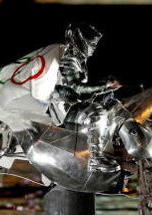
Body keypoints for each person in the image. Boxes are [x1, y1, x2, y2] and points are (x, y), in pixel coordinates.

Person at [49, 23, 121, 172]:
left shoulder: (78, 61)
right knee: (96, 112)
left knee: (111, 105)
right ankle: (96, 158)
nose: (94, 48)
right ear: (81, 42)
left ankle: (114, 148)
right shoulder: (69, 60)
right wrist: (105, 86)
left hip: (71, 105)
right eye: (92, 43)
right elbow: (77, 89)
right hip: (63, 109)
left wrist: (105, 89)